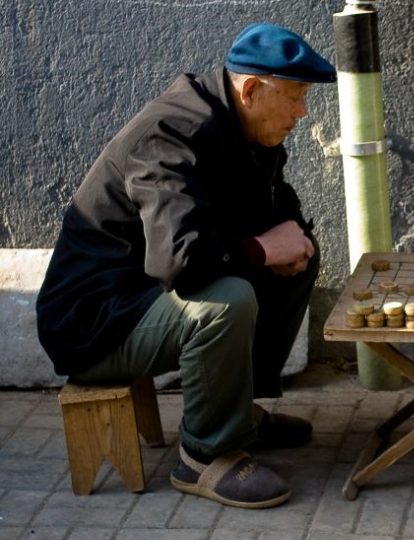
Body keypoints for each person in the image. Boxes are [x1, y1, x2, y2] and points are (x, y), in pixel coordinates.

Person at [36, 23, 337, 509]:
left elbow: (272, 202)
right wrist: (262, 251)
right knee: (226, 301)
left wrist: (290, 239)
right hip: (96, 323)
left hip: (143, 295)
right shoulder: (170, 135)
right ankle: (204, 456)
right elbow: (180, 261)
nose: (303, 112)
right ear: (253, 89)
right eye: (296, 97)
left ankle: (237, 413)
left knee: (299, 252)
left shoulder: (241, 125)